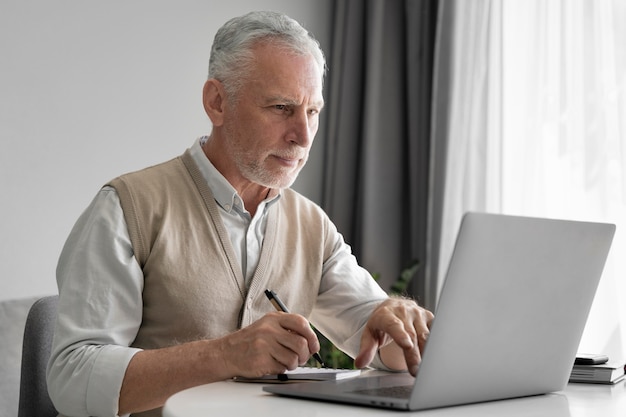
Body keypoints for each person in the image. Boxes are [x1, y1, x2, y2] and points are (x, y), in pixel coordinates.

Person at [47, 10, 434, 417]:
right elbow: (72, 377)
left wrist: (400, 323)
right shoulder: (127, 207)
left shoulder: (312, 226)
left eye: (313, 112)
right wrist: (225, 355)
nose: (303, 136)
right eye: (282, 107)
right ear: (217, 102)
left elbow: (381, 345)